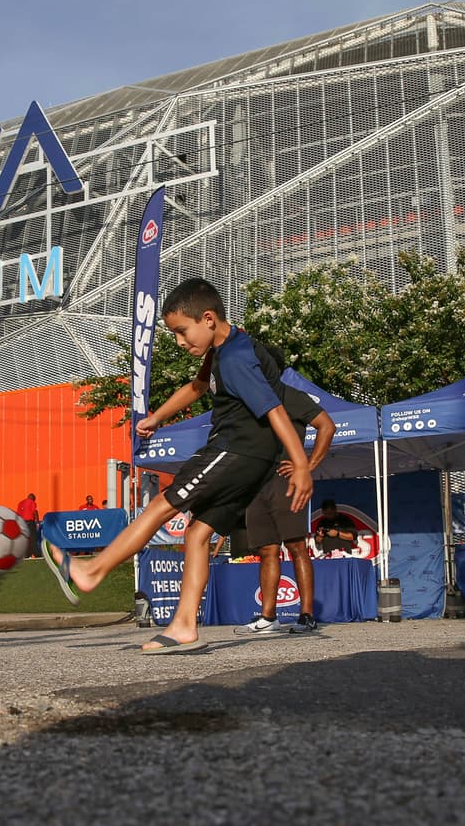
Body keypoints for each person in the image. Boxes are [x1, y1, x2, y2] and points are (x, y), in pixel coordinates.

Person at [39, 277, 312, 653]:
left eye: (183, 332)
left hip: (234, 450)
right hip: (253, 460)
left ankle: (90, 572)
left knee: (160, 506)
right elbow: (198, 387)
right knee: (198, 533)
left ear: (209, 319)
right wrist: (158, 417)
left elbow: (274, 409)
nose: (181, 342)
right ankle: (184, 624)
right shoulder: (228, 347)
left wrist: (300, 464)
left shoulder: (234, 358)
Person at [236, 387, 335, 635]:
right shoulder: (247, 396)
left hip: (285, 480)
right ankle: (268, 616)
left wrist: (307, 466)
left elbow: (327, 426)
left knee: (296, 546)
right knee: (267, 549)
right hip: (255, 482)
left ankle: (307, 615)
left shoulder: (290, 395)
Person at [16, 493, 40, 557]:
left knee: (26, 539)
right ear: (33, 498)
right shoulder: (31, 502)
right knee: (33, 538)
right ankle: (36, 554)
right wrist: (37, 522)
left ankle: (27, 554)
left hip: (22, 523)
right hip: (30, 522)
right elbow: (34, 512)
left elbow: (18, 514)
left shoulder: (20, 503)